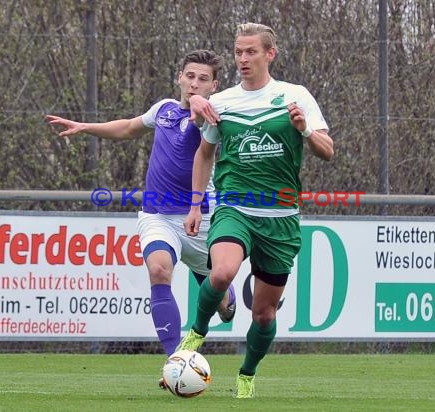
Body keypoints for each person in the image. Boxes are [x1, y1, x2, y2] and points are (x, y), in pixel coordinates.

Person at [45, 49, 237, 371]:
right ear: (179, 77)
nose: (194, 84)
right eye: (189, 76)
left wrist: (204, 109)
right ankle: (177, 361)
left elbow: (205, 122)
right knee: (159, 270)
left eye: (203, 79)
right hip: (158, 214)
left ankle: (226, 301)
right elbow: (129, 128)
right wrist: (85, 127)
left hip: (199, 215)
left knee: (220, 296)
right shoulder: (162, 109)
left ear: (213, 86)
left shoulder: (213, 116)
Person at [180, 24, 334, 398]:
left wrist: (304, 129)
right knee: (222, 273)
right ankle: (196, 333)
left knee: (264, 314)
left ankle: (247, 374)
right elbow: (204, 154)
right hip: (235, 207)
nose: (243, 59)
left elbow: (327, 150)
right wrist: (197, 203)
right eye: (238, 52)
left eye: (251, 52)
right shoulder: (225, 102)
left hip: (280, 218)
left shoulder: (294, 96)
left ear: (270, 54)